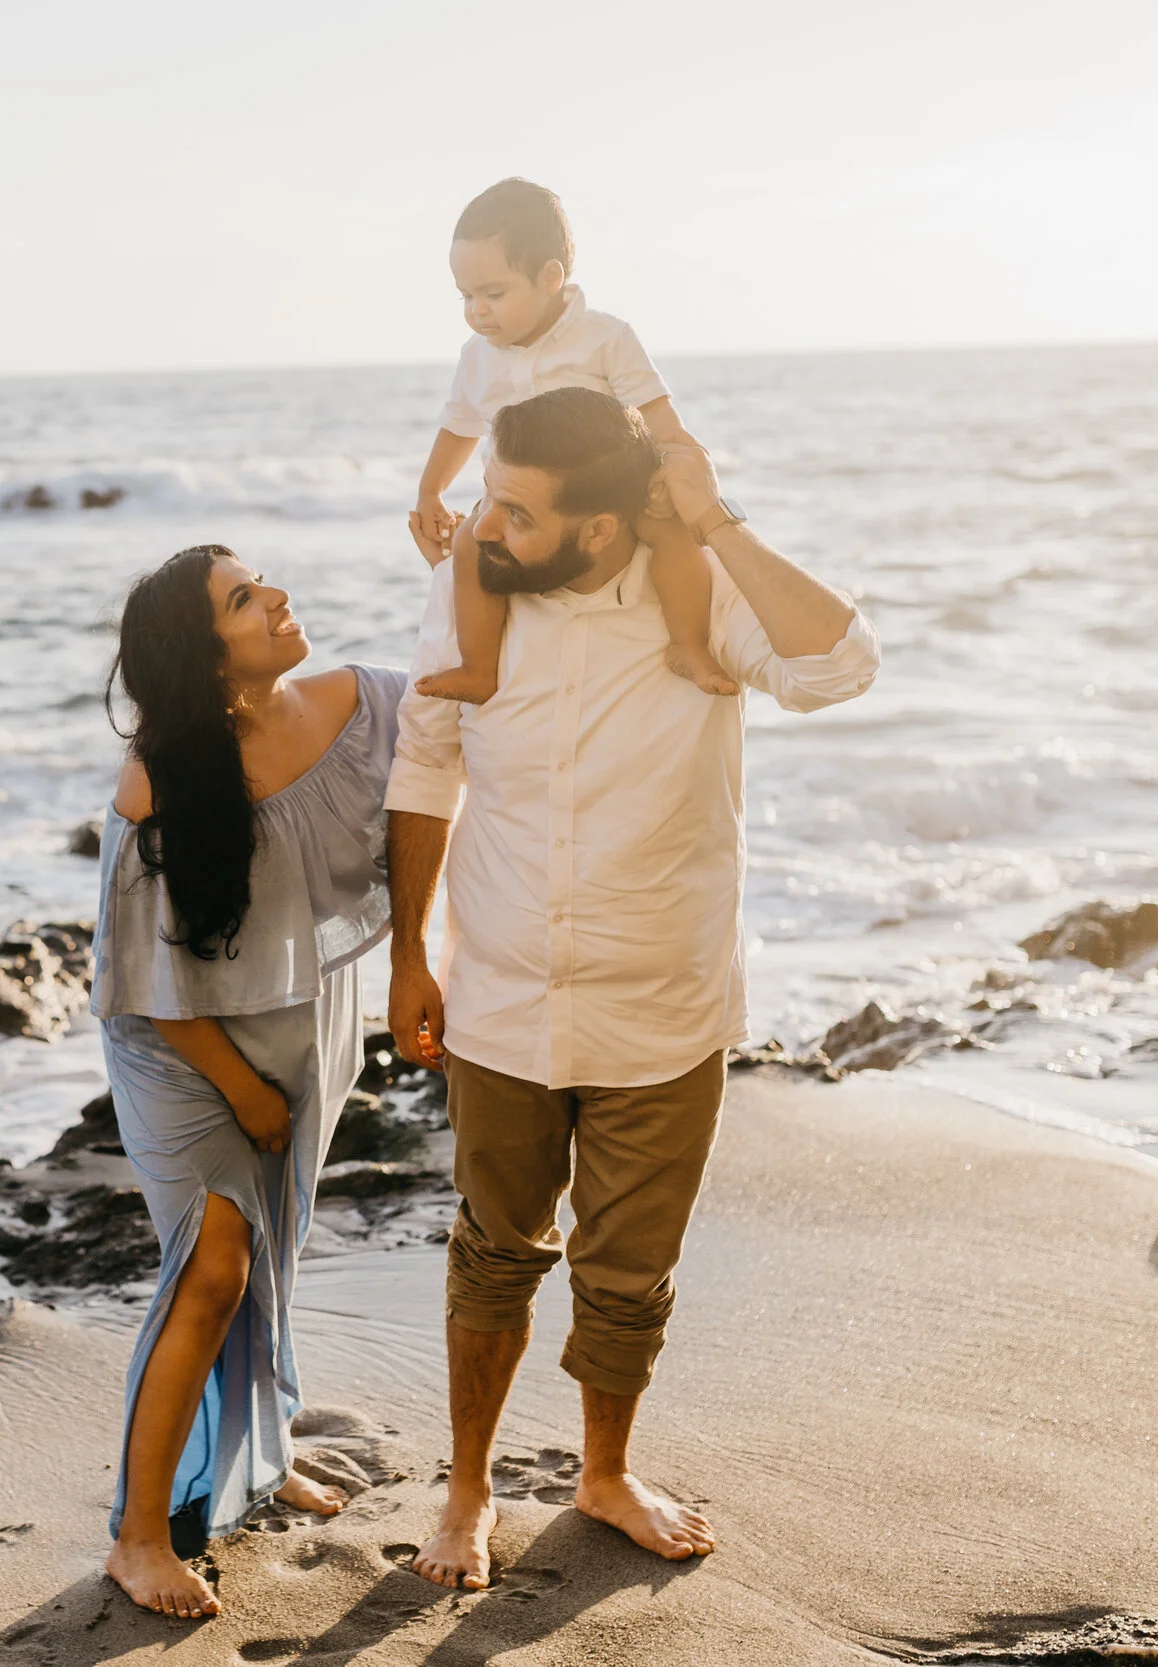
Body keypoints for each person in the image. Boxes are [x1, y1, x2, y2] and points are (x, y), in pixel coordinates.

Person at [385, 387, 881, 1590]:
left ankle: (603, 1474)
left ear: (600, 527)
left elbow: (838, 667)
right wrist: (409, 952)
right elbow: (424, 765)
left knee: (628, 1269)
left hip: (662, 1003)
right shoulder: (467, 592)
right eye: (487, 496)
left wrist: (716, 522)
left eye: (515, 508)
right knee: (491, 1249)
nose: (484, 525)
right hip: (500, 991)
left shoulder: (697, 591)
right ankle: (468, 1488)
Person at [89, 544, 410, 1619]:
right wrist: (247, 1091)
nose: (275, 595)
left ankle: (255, 1467)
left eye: (259, 580)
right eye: (242, 597)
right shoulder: (156, 785)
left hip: (297, 1021)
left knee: (268, 1261)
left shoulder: (359, 703)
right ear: (205, 654)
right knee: (214, 1264)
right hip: (182, 1051)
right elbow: (147, 987)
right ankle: (139, 1535)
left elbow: (472, 723)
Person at [408, 176, 737, 704]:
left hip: (610, 491)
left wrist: (674, 475)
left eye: (494, 294)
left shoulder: (605, 337)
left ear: (550, 277)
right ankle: (478, 666)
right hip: (520, 501)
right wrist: (430, 492)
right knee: (470, 542)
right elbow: (458, 426)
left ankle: (689, 644)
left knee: (673, 537)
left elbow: (660, 418)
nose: (477, 311)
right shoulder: (477, 356)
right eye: (466, 297)